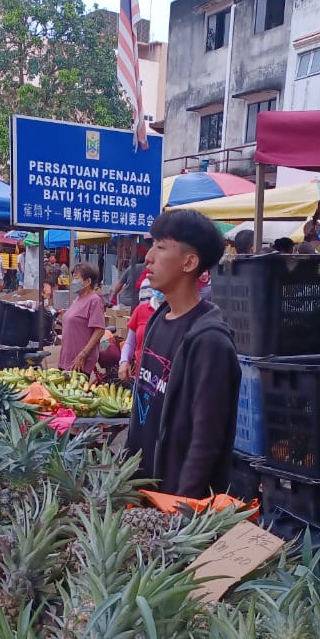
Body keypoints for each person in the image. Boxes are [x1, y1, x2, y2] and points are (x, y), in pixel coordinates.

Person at [126, 210, 239, 497]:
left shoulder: (209, 340)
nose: (148, 257)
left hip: (176, 506)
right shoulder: (157, 319)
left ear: (190, 262)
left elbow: (207, 439)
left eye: (161, 247)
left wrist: (180, 507)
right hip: (142, 491)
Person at [59, 262, 106, 374]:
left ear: (88, 281)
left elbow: (99, 330)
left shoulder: (94, 300)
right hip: (66, 359)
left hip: (80, 362)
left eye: (76, 278)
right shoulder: (77, 299)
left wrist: (83, 354)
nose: (73, 282)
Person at [119, 281, 162, 383]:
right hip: (141, 377)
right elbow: (130, 343)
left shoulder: (175, 312)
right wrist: (124, 361)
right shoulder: (141, 310)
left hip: (164, 381)